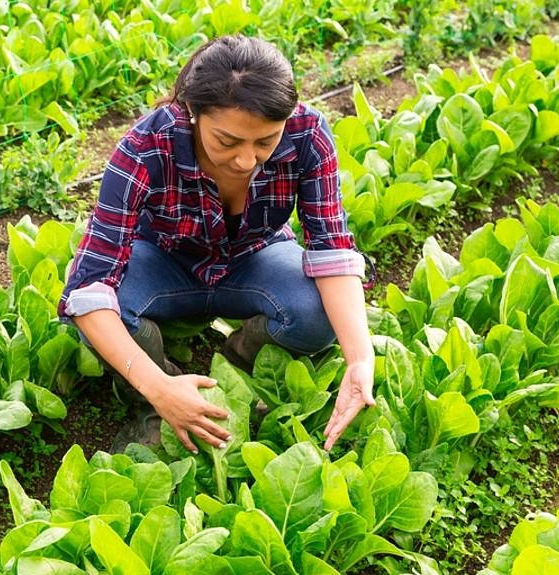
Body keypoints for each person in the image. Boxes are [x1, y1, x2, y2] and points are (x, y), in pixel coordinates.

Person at [58, 34, 374, 454]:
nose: (246, 160)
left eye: (265, 142)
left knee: (317, 313)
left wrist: (359, 359)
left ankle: (238, 369)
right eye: (227, 141)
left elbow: (332, 249)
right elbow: (87, 288)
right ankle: (156, 403)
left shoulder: (308, 135)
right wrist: (158, 387)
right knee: (105, 311)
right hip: (162, 261)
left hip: (255, 256)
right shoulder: (145, 147)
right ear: (192, 111)